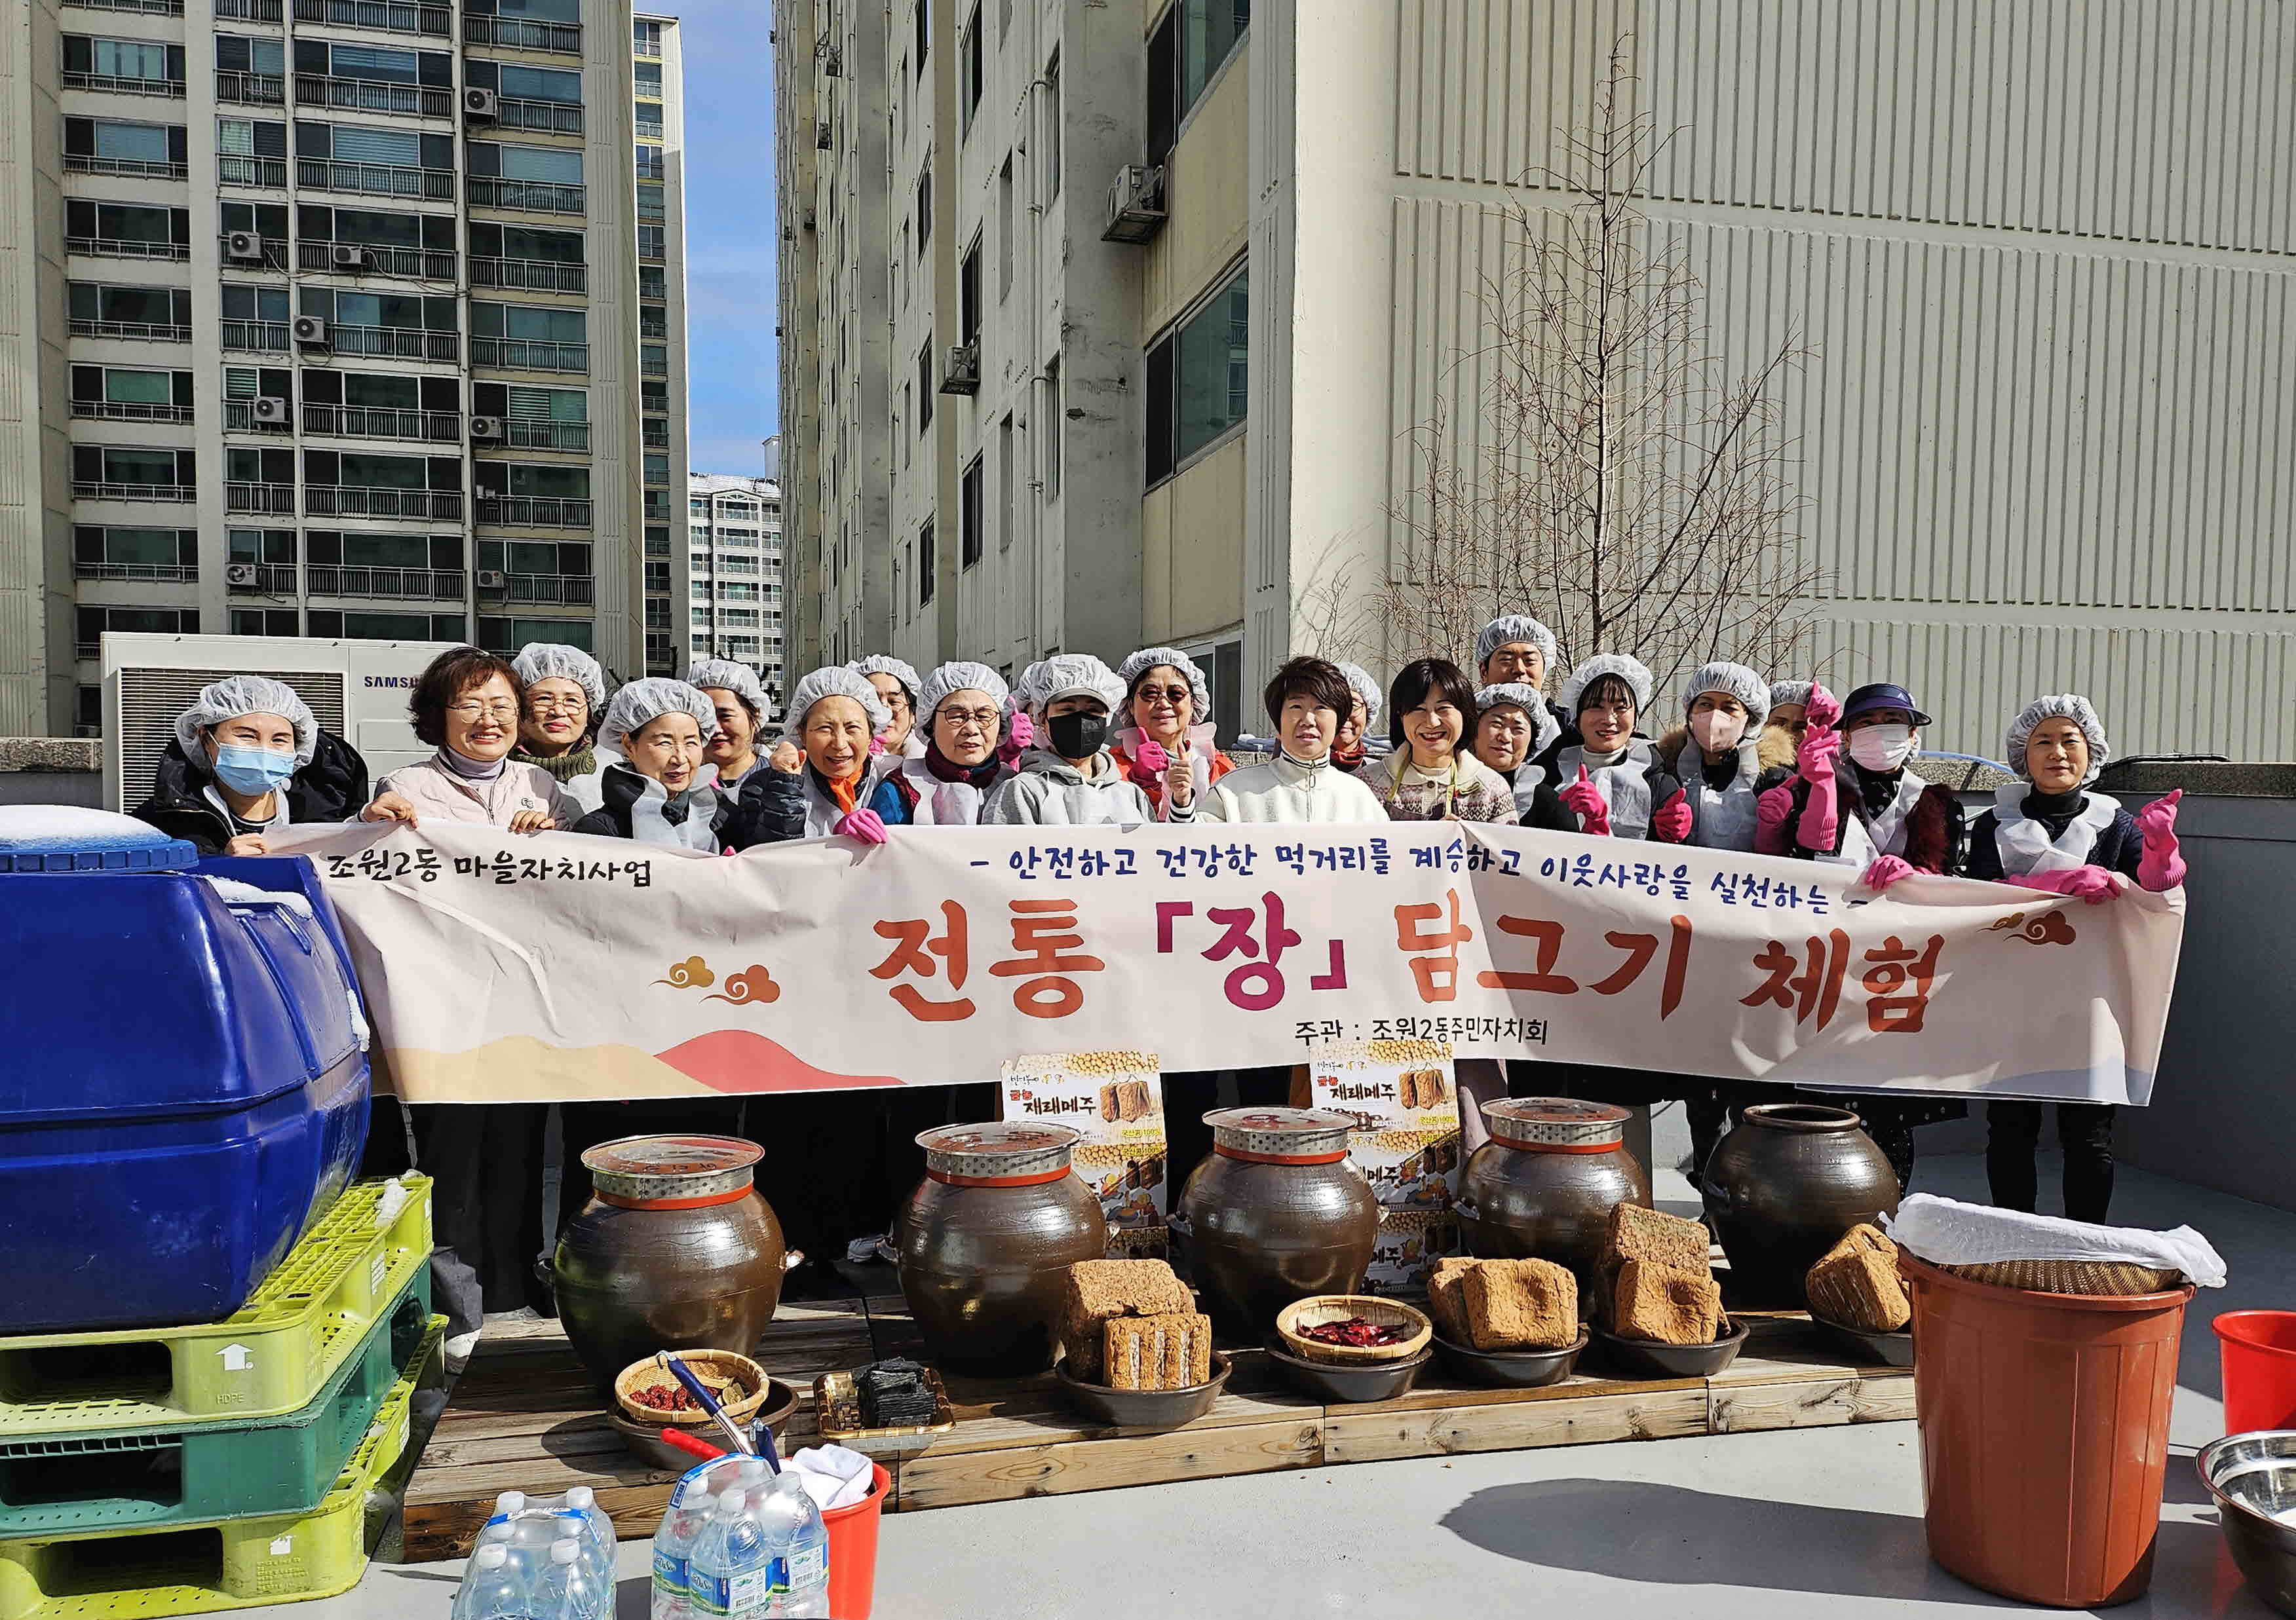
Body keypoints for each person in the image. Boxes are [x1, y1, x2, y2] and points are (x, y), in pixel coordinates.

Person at [357, 647, 577, 1357]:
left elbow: (585, 883)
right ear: (436, 716)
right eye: (471, 705)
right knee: (452, 1149)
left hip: (525, 999)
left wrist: (556, 838)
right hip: (442, 1000)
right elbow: (371, 869)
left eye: (504, 707)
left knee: (518, 1146)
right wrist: (375, 822)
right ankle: (456, 1304)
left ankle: (515, 1284)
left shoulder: (544, 787)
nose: (490, 719)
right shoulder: (405, 785)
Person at [1966, 695, 2186, 1224]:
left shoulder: (2118, 827)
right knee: (2010, 1127)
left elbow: (2155, 898)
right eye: (2043, 740)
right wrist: (2043, 885)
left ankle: (2082, 1244)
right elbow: (1972, 898)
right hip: (2014, 997)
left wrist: (2161, 854)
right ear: (2024, 754)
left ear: (2091, 752)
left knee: (2088, 1132)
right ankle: (2013, 1241)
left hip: (2091, 1000)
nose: (2058, 752)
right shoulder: (1992, 826)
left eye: (2071, 740)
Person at [133, 676, 368, 856]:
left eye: (279, 740)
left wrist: (367, 822)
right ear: (205, 738)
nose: (263, 750)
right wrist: (219, 863)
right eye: (247, 736)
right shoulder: (158, 825)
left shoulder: (326, 810)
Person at [727, 666, 908, 847]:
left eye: (852, 728)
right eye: (824, 728)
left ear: (871, 734)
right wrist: (785, 790)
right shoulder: (765, 787)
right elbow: (766, 858)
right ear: (801, 734)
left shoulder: (898, 781)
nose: (839, 744)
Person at [1198, 657, 1390, 824]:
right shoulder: (1232, 791)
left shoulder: (1359, 797)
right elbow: (1191, 848)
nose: (1308, 720)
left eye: (1321, 707)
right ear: (1278, 723)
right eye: (1296, 706)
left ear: (1338, 723)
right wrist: (1181, 803)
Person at [984, 655, 1171, 825]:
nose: (1081, 720)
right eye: (1067, 710)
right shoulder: (1023, 791)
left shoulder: (1131, 794)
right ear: (1042, 718)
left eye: (1093, 711)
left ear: (1107, 718)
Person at [1535, 654, 1688, 843]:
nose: (1609, 719)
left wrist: (1673, 834)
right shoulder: (1546, 775)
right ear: (1577, 717)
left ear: (1636, 719)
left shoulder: (1659, 783)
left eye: (1621, 707)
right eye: (1596, 706)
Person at [569, 679, 729, 848]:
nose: (680, 759)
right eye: (665, 743)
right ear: (629, 745)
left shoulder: (720, 818)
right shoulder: (600, 831)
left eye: (690, 743)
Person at [1653, 662, 1795, 853]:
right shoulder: (1664, 771)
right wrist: (1664, 833)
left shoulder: (1774, 780)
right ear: (1690, 712)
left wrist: (1775, 830)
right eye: (1706, 705)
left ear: (1750, 720)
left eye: (1729, 708)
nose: (1714, 716)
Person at [1375, 658, 1518, 823]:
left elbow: (1504, 847)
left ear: (1464, 714)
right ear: (1400, 717)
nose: (1432, 722)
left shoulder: (1492, 788)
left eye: (1443, 708)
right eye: (1419, 709)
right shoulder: (1366, 786)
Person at [886, 661, 1022, 824]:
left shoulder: (1017, 789)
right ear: (931, 724)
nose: (971, 729)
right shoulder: (899, 791)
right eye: (956, 716)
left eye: (984, 716)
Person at [1113, 647, 1235, 819]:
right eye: (1150, 694)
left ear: (1193, 704)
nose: (1163, 703)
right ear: (1130, 705)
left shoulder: (1218, 766)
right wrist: (1142, 783)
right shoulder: (1110, 768)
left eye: (1176, 694)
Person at [508, 643, 608, 813]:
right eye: (544, 699)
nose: (558, 711)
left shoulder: (614, 775)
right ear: (520, 709)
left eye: (572, 701)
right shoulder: (494, 774)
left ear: (588, 714)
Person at [1467, 684, 1573, 829]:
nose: (1505, 737)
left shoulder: (1546, 802)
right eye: (1497, 724)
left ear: (1533, 740)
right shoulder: (1446, 788)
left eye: (1518, 729)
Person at [685, 658, 782, 799]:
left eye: (725, 716)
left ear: (754, 716)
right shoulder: (678, 782)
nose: (715, 729)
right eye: (705, 717)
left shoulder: (778, 782)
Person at [1474, 616, 1573, 738]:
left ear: (1544, 672)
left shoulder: (1572, 729)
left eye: (1530, 661)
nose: (1519, 669)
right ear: (1484, 672)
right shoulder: (1462, 726)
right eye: (1506, 660)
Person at [851, 654, 927, 759]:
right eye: (873, 700)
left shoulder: (931, 765)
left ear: (914, 714)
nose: (884, 712)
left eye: (894, 702)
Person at [1330, 662, 1391, 773]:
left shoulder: (1383, 775)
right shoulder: (1296, 773)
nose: (1344, 715)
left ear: (1369, 713)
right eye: (1335, 705)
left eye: (1353, 706)